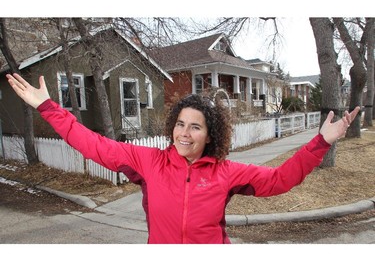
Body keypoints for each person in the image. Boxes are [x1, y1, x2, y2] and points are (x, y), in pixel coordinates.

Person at [6, 73, 360, 244]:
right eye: (180, 125)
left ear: (211, 135)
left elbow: (281, 178)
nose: (184, 134)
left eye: (195, 127)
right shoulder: (149, 162)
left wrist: (320, 142)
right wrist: (49, 108)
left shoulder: (227, 172)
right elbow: (93, 144)